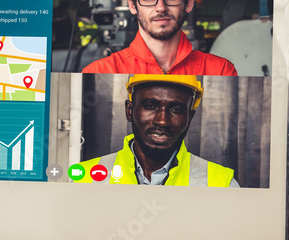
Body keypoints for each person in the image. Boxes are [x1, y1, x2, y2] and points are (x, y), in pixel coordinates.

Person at [76, 75, 238, 187]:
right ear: (129, 111)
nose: (162, 120)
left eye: (176, 109)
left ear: (190, 117)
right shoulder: (84, 179)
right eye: (150, 106)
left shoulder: (222, 183)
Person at [82, 0, 238, 76]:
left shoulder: (220, 71)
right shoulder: (100, 72)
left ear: (189, 3)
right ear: (132, 5)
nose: (161, 8)